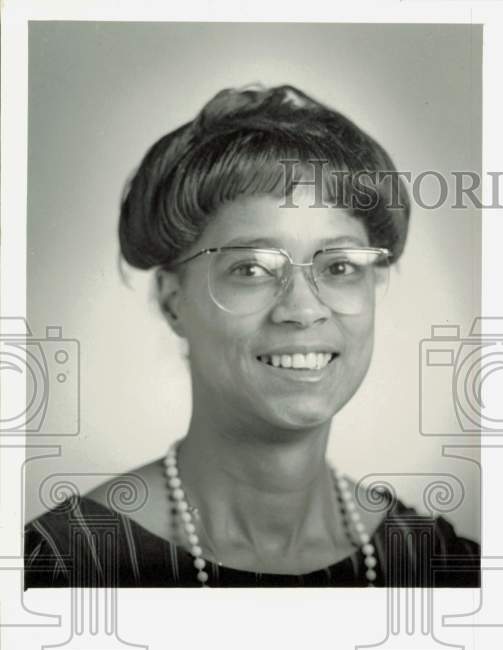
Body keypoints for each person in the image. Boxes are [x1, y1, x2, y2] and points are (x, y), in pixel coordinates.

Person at [23, 84, 479, 588]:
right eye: (251, 269)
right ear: (174, 300)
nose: (303, 310)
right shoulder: (63, 565)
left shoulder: (437, 562)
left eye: (340, 266)